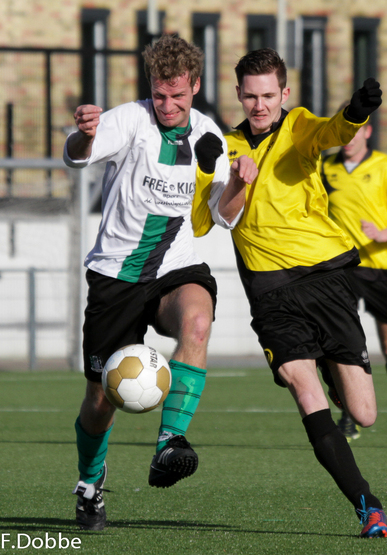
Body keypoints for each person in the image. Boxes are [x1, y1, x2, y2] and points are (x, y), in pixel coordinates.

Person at [197, 48, 387, 538]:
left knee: (365, 415)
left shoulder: (300, 126)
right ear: (239, 95)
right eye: (250, 96)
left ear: (284, 94)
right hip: (271, 295)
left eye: (268, 95)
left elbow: (333, 132)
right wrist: (217, 175)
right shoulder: (225, 146)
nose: (259, 105)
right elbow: (208, 220)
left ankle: (331, 364)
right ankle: (368, 505)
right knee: (304, 391)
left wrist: (356, 112)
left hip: (327, 281)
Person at [63, 34, 257, 531]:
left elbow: (223, 217)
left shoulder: (210, 135)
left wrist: (238, 183)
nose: (167, 105)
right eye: (159, 94)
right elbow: (76, 155)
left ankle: (170, 443)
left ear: (194, 85)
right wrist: (84, 131)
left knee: (197, 320)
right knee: (100, 398)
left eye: (177, 95)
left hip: (175, 265)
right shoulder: (132, 118)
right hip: (116, 275)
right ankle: (90, 482)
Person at [322, 116, 387, 448]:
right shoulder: (324, 169)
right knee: (342, 343)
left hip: (381, 269)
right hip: (342, 270)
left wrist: (383, 233)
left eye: (356, 130)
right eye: (344, 131)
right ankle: (349, 415)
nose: (349, 137)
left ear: (367, 131)